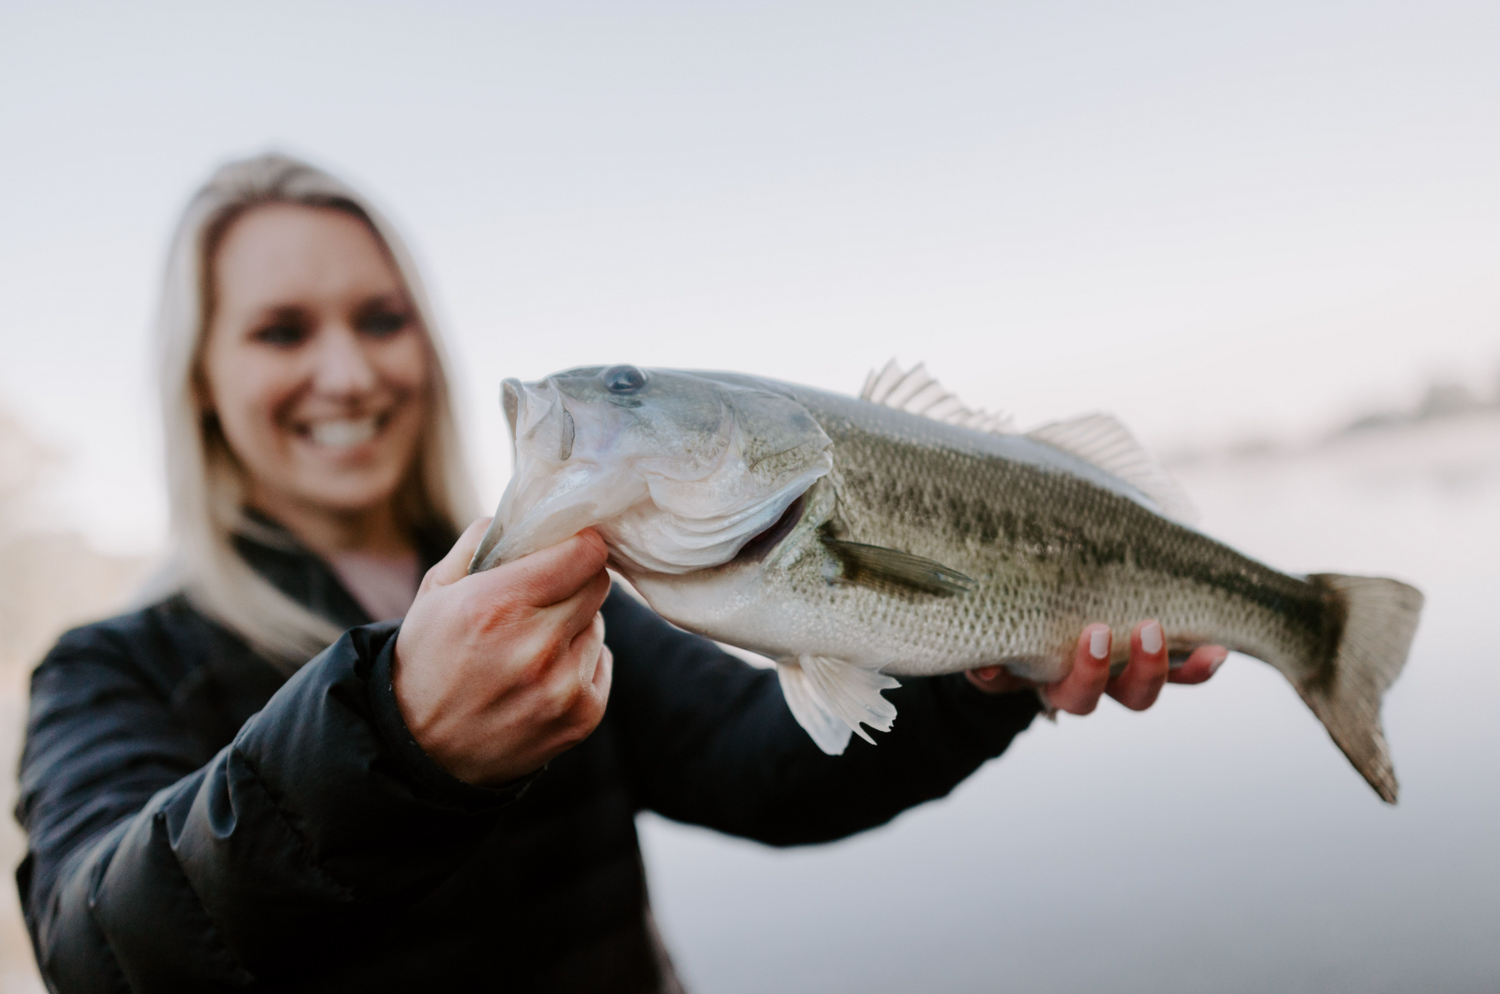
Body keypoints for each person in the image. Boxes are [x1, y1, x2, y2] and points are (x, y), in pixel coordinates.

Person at [14, 153, 1226, 992]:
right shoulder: (114, 666)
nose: (346, 371)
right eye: (282, 330)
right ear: (202, 386)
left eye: (381, 318)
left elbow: (770, 772)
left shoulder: (577, 589)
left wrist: (976, 668)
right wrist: (394, 739)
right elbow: (97, 950)